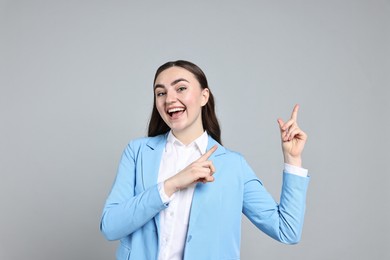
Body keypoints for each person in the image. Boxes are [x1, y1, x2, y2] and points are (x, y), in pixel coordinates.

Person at [100, 60, 310, 260]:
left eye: (180, 88)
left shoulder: (233, 165)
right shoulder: (137, 153)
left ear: (204, 96)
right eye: (161, 93)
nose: (169, 99)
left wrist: (293, 159)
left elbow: (287, 230)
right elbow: (110, 226)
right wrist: (171, 184)